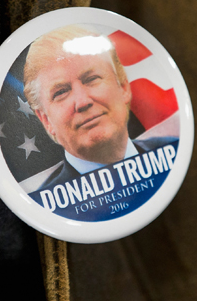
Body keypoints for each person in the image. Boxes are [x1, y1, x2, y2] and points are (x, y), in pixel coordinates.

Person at [23, 25, 174, 188]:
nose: (82, 102)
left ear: (123, 86)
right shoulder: (46, 208)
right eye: (61, 92)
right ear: (46, 120)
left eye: (91, 79)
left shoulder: (174, 150)